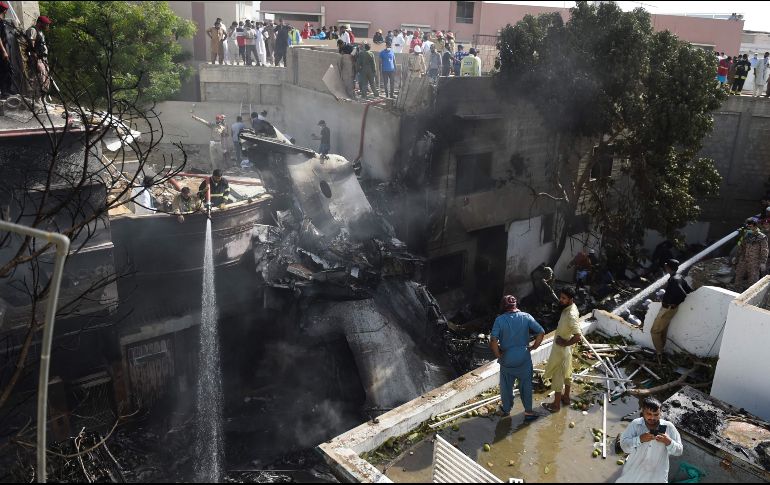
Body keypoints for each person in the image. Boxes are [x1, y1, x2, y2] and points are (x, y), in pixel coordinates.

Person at [489, 295, 545, 420]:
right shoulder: (526, 316)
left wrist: (499, 356)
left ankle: (506, 410)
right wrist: (533, 347)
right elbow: (541, 332)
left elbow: (493, 341)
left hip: (507, 358)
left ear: (503, 307)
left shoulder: (499, 320)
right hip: (524, 357)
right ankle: (529, 412)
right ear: (516, 306)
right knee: (526, 385)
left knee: (506, 386)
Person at [616, 397, 683, 483]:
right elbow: (624, 446)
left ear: (660, 413)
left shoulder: (668, 427)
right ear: (643, 412)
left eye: (656, 414)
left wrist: (669, 442)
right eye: (649, 414)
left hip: (657, 476)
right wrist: (639, 439)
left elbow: (679, 451)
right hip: (633, 474)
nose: (652, 418)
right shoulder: (635, 424)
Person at [541, 287, 582, 413]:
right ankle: (566, 397)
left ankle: (556, 405)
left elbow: (578, 337)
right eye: (561, 297)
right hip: (566, 349)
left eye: (564, 298)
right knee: (567, 372)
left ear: (571, 299)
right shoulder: (571, 308)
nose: (561, 300)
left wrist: (565, 343)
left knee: (558, 376)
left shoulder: (571, 315)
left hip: (561, 349)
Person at [650, 259, 692, 363]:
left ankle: (659, 353)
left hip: (667, 309)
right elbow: (689, 290)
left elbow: (683, 294)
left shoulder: (674, 280)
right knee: (662, 330)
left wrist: (673, 302)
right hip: (672, 309)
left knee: (654, 331)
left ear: (668, 267)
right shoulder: (680, 277)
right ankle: (661, 351)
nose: (665, 267)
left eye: (666, 266)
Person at [734, 217, 769, 290]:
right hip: (743, 259)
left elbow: (764, 250)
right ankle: (736, 291)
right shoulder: (747, 235)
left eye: (750, 226)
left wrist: (763, 262)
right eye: (748, 226)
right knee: (738, 276)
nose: (749, 227)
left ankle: (749, 296)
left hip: (754, 261)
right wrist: (736, 257)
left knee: (753, 280)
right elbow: (742, 247)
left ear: (755, 226)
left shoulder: (762, 237)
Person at [26, 15, 52, 99]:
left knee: (46, 78)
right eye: (46, 24)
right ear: (40, 23)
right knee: (38, 78)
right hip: (37, 58)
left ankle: (42, 99)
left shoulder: (41, 32)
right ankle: (34, 98)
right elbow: (31, 45)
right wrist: (36, 60)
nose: (47, 26)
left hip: (43, 58)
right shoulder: (33, 30)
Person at [0, 1, 12, 98]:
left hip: (4, 48)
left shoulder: (2, 21)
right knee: (4, 69)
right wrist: (4, 51)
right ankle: (4, 92)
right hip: (1, 50)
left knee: (6, 69)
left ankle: (6, 91)